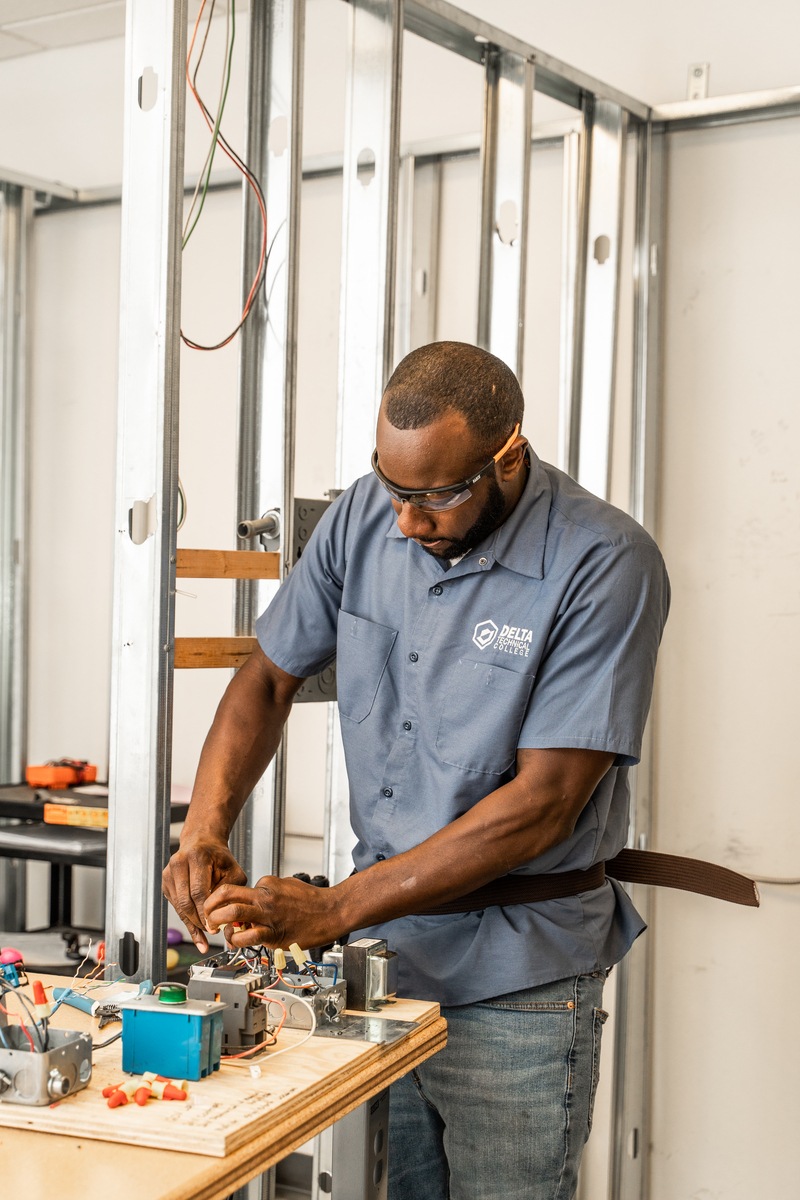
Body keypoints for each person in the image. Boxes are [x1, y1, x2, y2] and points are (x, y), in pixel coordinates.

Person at [163, 340, 670, 1200]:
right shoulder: (367, 516)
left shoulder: (603, 561)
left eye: (435, 496)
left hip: (520, 984)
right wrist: (205, 827)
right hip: (388, 970)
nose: (404, 521)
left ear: (507, 457)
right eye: (393, 489)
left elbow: (543, 806)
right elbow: (267, 678)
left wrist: (332, 908)